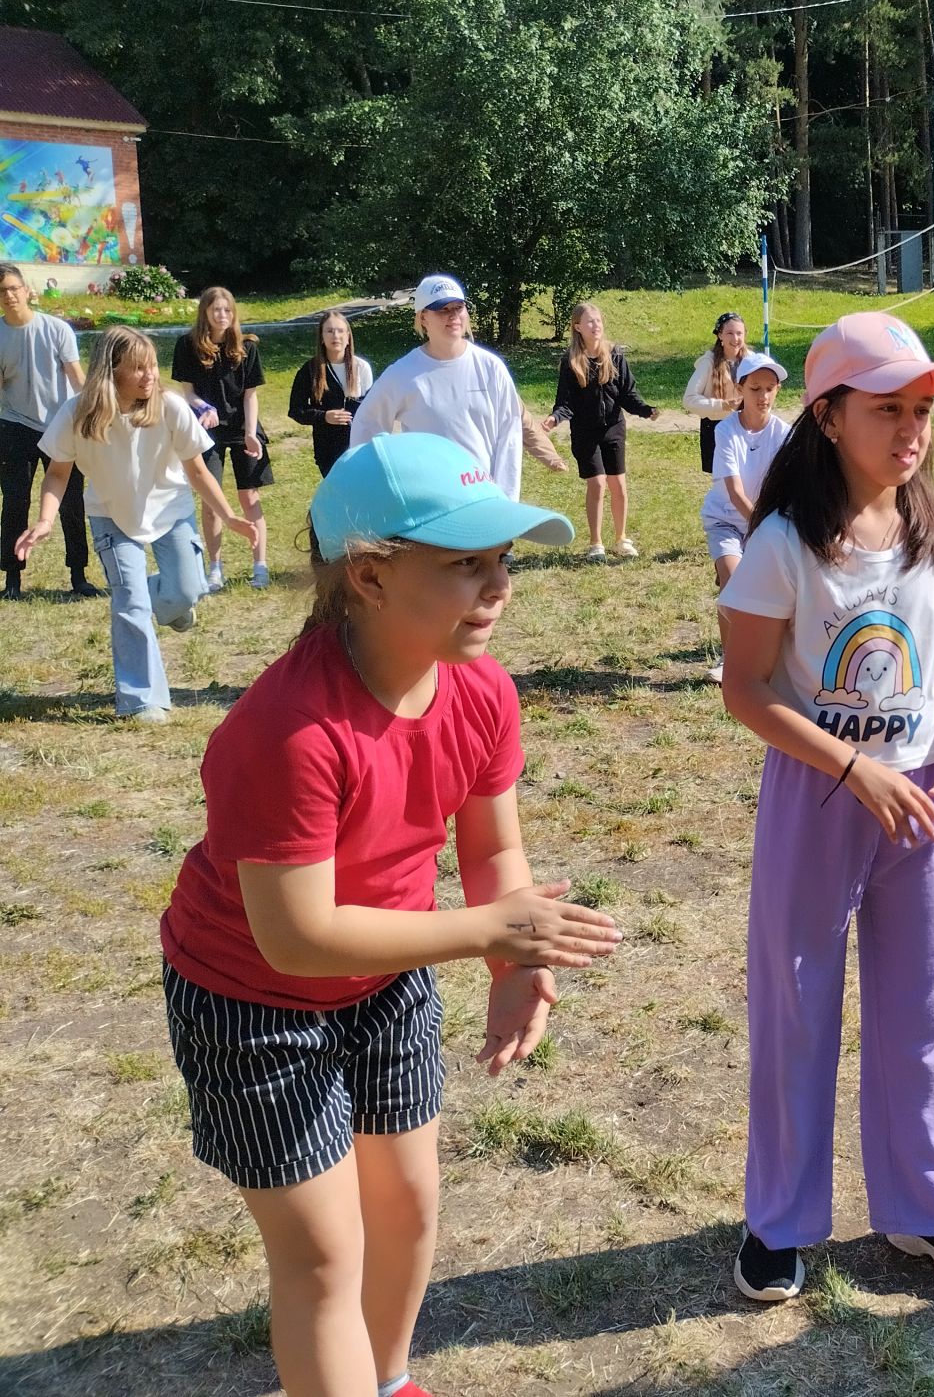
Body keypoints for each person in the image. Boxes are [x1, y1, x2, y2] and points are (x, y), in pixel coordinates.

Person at [156, 433, 619, 1397]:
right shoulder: (288, 731)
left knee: (405, 1207)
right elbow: (298, 935)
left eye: (503, 561)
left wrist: (514, 966)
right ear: (367, 576)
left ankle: (389, 1378)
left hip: (391, 975)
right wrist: (489, 935)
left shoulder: (483, 690)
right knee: (323, 1254)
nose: (497, 587)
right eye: (463, 565)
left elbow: (492, 853)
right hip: (253, 1004)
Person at [717, 311, 934, 1304]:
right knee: (797, 1002)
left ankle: (930, 1211)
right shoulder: (785, 547)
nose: (912, 431)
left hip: (921, 802)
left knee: (919, 1005)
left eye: (923, 411)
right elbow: (746, 689)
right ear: (831, 414)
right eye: (888, 410)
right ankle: (781, 1223)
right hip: (819, 797)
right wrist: (851, 769)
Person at [14, 328, 257, 723]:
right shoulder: (78, 413)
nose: (150, 376)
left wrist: (228, 515)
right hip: (111, 515)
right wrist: (44, 520)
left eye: (153, 366)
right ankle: (142, 700)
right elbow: (58, 475)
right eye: (139, 368)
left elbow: (196, 470)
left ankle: (169, 602)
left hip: (170, 512)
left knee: (187, 589)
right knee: (130, 602)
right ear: (111, 372)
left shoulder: (171, 407)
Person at [350, 274, 525, 499]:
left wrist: (506, 502)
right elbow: (367, 424)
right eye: (443, 309)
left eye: (458, 307)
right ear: (423, 318)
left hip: (486, 500)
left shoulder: (491, 367)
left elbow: (509, 436)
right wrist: (380, 488)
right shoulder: (403, 373)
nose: (453, 316)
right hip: (430, 504)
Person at [0, 260, 97, 598]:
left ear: (27, 291)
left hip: (60, 425)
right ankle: (12, 580)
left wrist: (91, 414)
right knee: (14, 502)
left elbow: (76, 378)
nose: (10, 296)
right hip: (14, 425)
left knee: (71, 501)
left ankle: (78, 576)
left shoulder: (57, 330)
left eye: (14, 288)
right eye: (3, 291)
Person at [699, 350, 791, 683]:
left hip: (764, 522)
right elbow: (735, 493)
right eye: (755, 389)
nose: (763, 396)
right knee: (733, 582)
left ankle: (773, 656)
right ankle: (731, 662)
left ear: (777, 390)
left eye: (769, 388)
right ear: (741, 389)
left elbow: (788, 487)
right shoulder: (725, 432)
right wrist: (763, 528)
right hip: (727, 519)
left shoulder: (784, 433)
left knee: (770, 591)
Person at [172, 286, 270, 591]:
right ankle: (215, 568)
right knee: (211, 501)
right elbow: (187, 393)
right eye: (216, 310)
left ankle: (260, 565)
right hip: (206, 430)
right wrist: (203, 407)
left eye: (227, 310)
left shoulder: (247, 347)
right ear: (205, 312)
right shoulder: (187, 345)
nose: (222, 315)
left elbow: (250, 396)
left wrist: (251, 434)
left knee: (249, 497)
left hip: (243, 429)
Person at [543, 301, 658, 560]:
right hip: (585, 432)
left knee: (618, 484)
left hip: (614, 428)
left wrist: (645, 410)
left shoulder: (615, 356)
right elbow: (566, 402)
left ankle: (621, 539)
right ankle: (596, 544)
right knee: (597, 483)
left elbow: (628, 394)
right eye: (590, 321)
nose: (596, 325)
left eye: (598, 320)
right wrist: (555, 418)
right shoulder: (570, 361)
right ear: (577, 327)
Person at [288, 311, 374, 479]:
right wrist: (324, 416)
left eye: (340, 331)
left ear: (348, 336)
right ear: (321, 336)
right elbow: (296, 410)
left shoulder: (361, 368)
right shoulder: (310, 370)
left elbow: (371, 411)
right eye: (330, 331)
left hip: (358, 447)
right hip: (327, 449)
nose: (336, 336)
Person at [684, 312, 748, 474]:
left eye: (739, 333)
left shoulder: (752, 361)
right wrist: (722, 405)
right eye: (729, 333)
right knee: (724, 482)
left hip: (745, 428)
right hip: (716, 428)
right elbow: (689, 400)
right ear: (720, 335)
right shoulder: (709, 362)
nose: (735, 339)